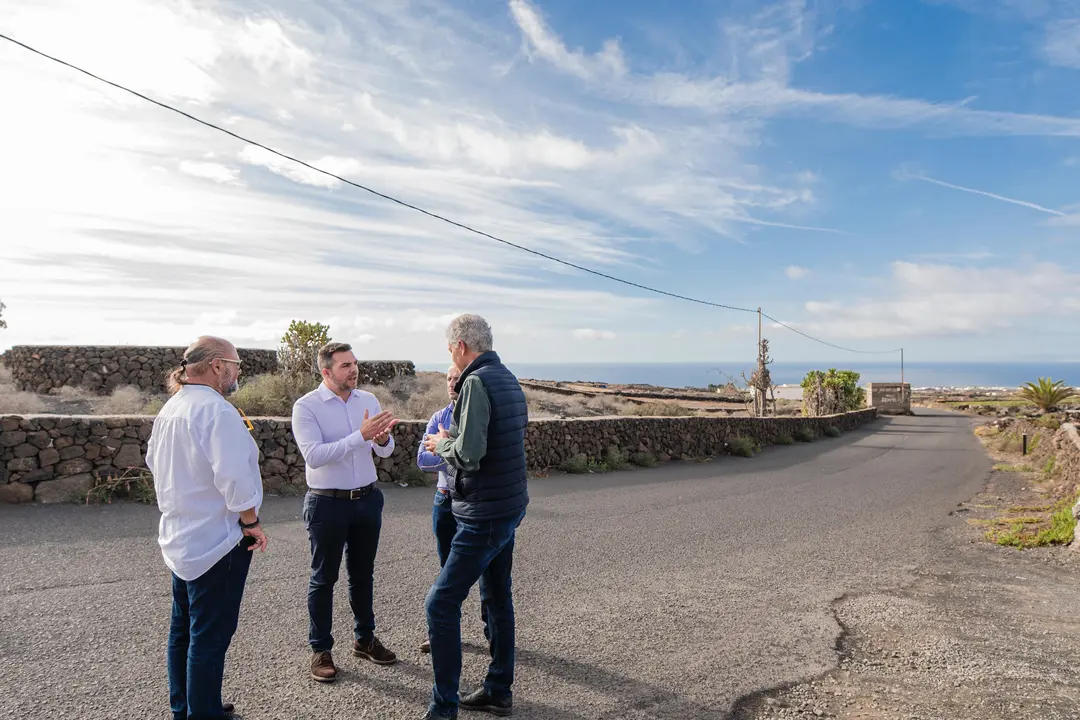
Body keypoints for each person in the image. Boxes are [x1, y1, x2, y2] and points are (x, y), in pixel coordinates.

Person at [146, 336, 268, 720]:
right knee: (209, 639)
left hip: (180, 537)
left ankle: (189, 708)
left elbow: (153, 462)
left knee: (182, 632)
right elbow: (234, 478)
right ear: (217, 366)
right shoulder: (216, 411)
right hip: (218, 541)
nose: (237, 373)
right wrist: (251, 522)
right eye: (235, 365)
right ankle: (204, 714)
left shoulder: (172, 407)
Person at [421, 314, 529, 719]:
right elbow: (509, 434)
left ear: (461, 346)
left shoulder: (476, 382)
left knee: (440, 604)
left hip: (483, 512)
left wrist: (440, 442)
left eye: (450, 348)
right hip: (509, 504)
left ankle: (442, 708)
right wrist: (459, 439)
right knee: (497, 596)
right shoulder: (508, 378)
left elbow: (469, 454)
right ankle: (499, 690)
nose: (451, 354)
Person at [291, 341, 399, 683]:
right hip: (327, 502)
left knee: (362, 574)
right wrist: (360, 436)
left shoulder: (367, 400)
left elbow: (384, 451)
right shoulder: (306, 406)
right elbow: (315, 455)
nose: (354, 370)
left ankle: (364, 639)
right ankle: (320, 649)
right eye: (345, 365)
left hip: (367, 500)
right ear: (326, 372)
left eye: (354, 363)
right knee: (323, 578)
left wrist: (381, 439)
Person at [415, 364, 489, 655]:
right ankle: (445, 634)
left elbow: (478, 459)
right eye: (448, 378)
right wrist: (455, 454)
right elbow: (422, 460)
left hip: (473, 503)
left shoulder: (478, 413)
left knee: (486, 570)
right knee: (447, 572)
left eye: (457, 378)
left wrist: (444, 448)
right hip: (445, 500)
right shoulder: (439, 417)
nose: (452, 383)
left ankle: (492, 634)